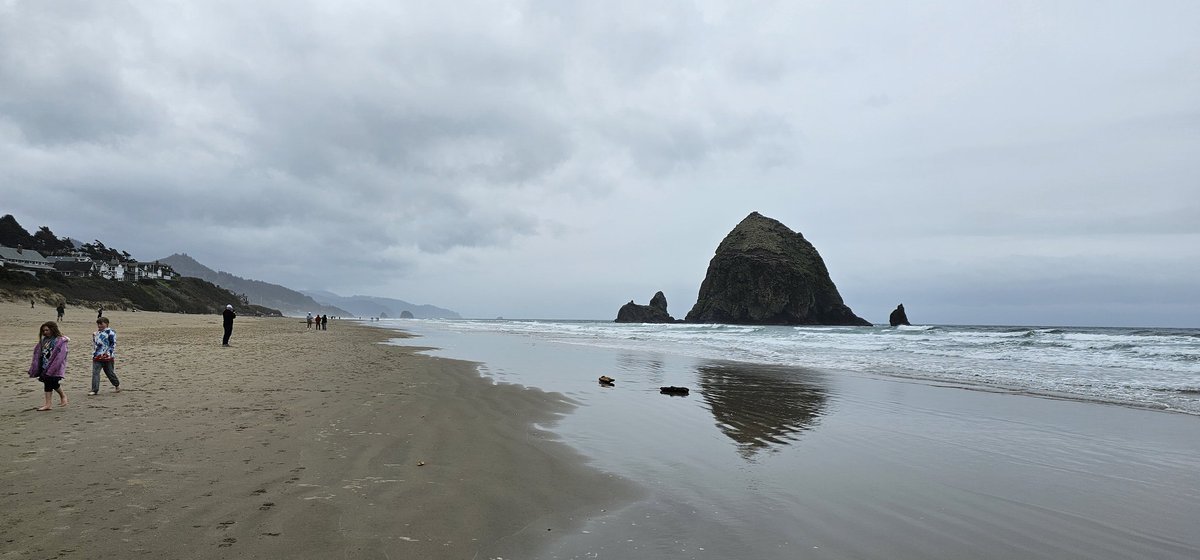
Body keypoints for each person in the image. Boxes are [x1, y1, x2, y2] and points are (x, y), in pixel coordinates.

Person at [28, 321, 69, 411]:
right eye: (43, 330)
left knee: (52, 383)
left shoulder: (60, 341)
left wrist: (53, 367)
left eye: (47, 330)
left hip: (54, 367)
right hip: (45, 366)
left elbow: (60, 356)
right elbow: (38, 353)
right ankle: (50, 403)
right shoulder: (44, 340)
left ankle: (60, 398)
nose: (45, 332)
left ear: (53, 329)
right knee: (48, 383)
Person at [90, 317, 120, 395]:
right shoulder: (96, 333)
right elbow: (95, 345)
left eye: (101, 324)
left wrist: (108, 353)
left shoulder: (111, 332)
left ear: (106, 324)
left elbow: (113, 344)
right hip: (97, 356)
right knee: (95, 373)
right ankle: (94, 390)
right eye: (98, 324)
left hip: (108, 357)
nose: (99, 326)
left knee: (110, 373)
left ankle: (116, 385)